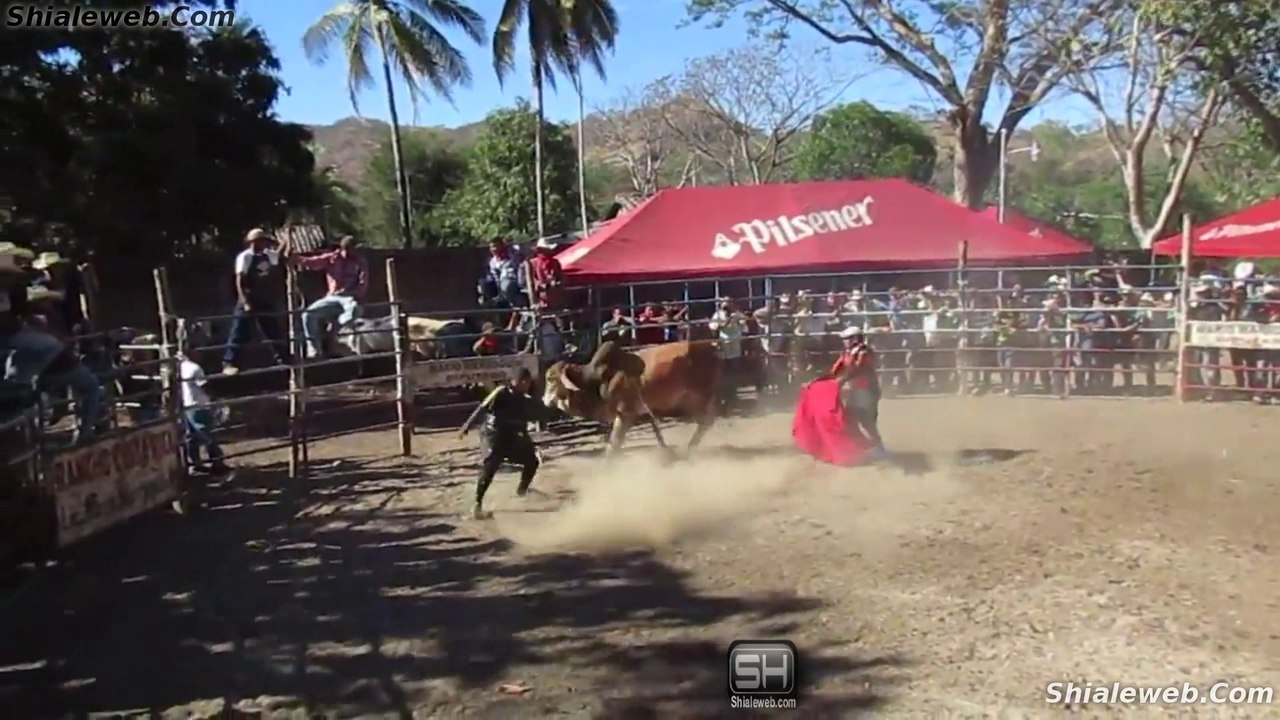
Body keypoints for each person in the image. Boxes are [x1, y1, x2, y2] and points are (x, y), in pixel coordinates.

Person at [457, 366, 552, 520]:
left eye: (527, 382)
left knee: (531, 461)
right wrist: (467, 426)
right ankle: (477, 505)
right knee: (491, 465)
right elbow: (482, 408)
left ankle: (522, 491)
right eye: (524, 382)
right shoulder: (501, 392)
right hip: (492, 435)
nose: (526, 385)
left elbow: (525, 425)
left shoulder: (525, 400)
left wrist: (529, 445)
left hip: (511, 436)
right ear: (516, 381)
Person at [222, 228, 290, 376]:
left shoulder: (268, 255)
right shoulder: (245, 257)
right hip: (249, 297)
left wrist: (283, 242)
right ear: (252, 242)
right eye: (260, 241)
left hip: (264, 298)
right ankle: (229, 362)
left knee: (272, 329)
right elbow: (239, 280)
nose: (262, 243)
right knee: (239, 331)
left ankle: (283, 358)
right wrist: (244, 301)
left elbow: (278, 256)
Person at [293, 235, 369, 359]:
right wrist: (297, 259)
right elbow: (312, 262)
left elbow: (363, 281)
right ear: (345, 248)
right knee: (308, 314)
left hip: (349, 296)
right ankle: (314, 348)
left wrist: (357, 294)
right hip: (332, 296)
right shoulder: (332, 258)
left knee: (355, 309)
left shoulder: (360, 262)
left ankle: (334, 327)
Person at [830, 326, 884, 453]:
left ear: (855, 339)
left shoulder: (864, 352)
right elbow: (835, 370)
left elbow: (859, 369)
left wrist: (841, 380)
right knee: (849, 419)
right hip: (856, 390)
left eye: (846, 339)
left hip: (867, 391)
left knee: (867, 422)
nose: (844, 341)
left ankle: (879, 448)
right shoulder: (847, 353)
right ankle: (863, 446)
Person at [179, 343, 230, 476]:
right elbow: (204, 386)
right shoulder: (196, 368)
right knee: (207, 434)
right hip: (199, 405)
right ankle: (217, 463)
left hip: (187, 405)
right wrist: (215, 399)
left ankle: (195, 463)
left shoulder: (181, 366)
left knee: (191, 436)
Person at [528, 238, 565, 309]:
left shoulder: (555, 262)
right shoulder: (533, 263)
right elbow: (531, 281)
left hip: (556, 295)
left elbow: (562, 276)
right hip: (540, 296)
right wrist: (541, 284)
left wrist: (558, 282)